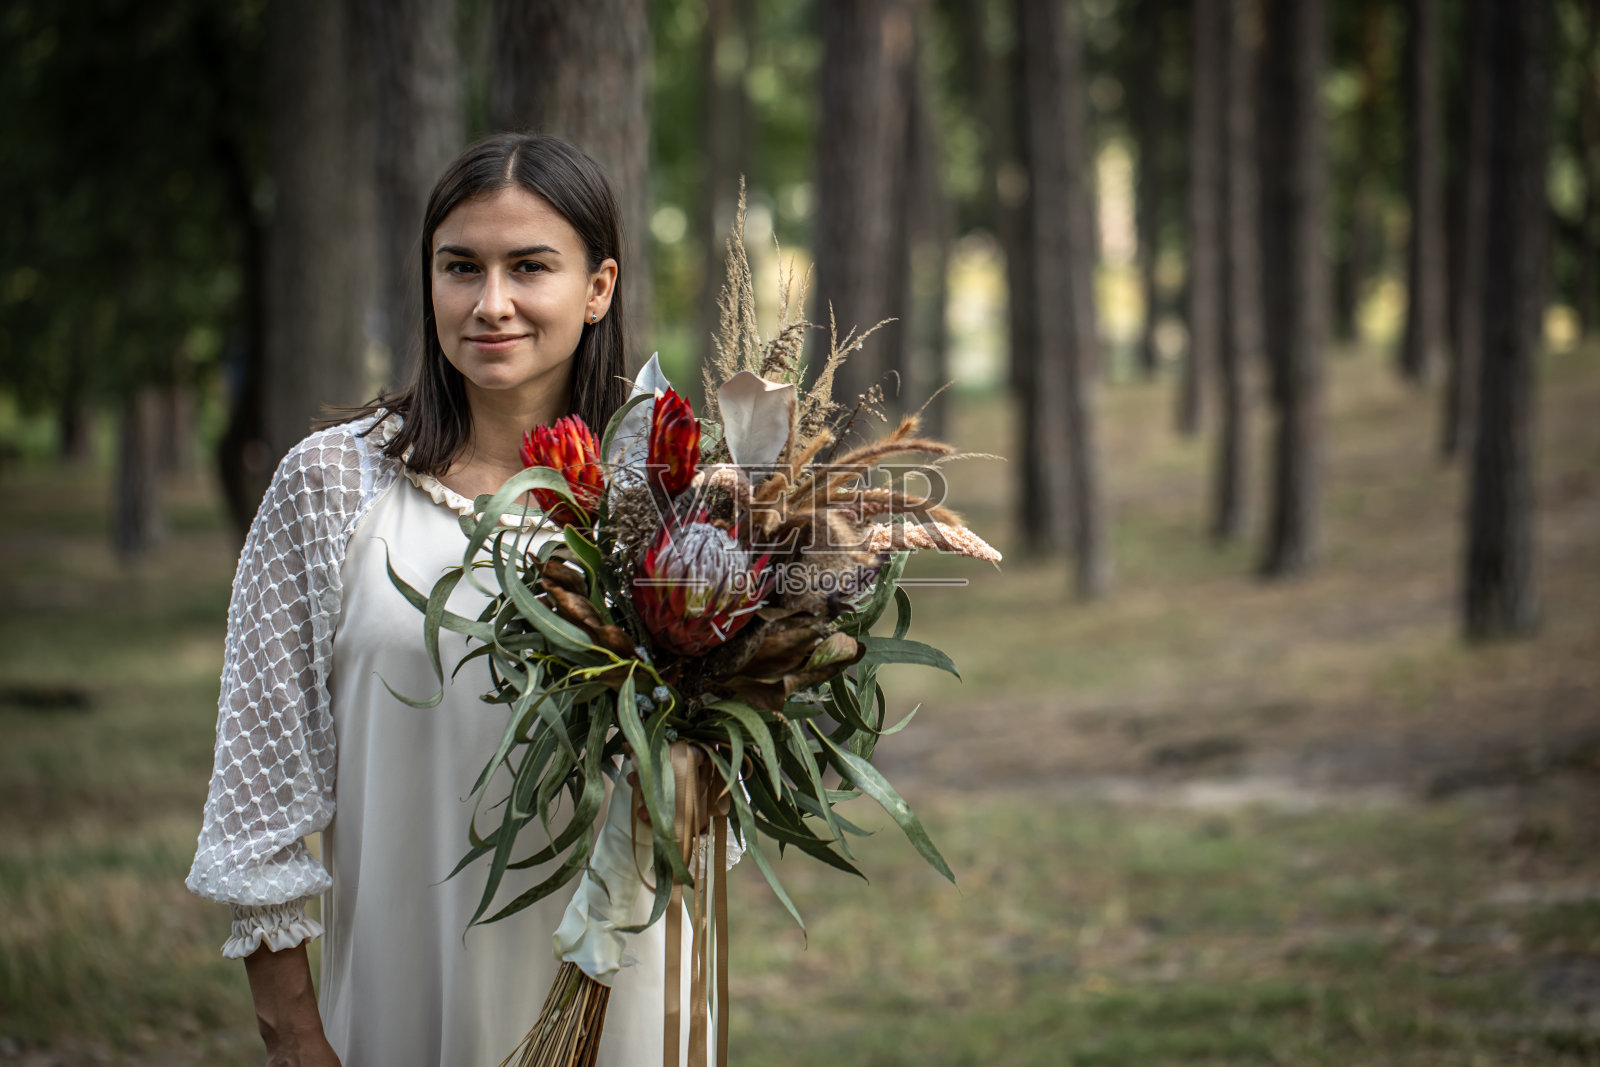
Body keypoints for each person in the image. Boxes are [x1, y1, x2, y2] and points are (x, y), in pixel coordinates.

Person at [186, 133, 673, 1066]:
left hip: (624, 996)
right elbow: (260, 805)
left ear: (598, 287)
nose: (492, 303)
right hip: (401, 987)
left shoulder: (662, 495)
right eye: (461, 267)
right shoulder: (329, 485)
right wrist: (293, 1037)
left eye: (530, 266)